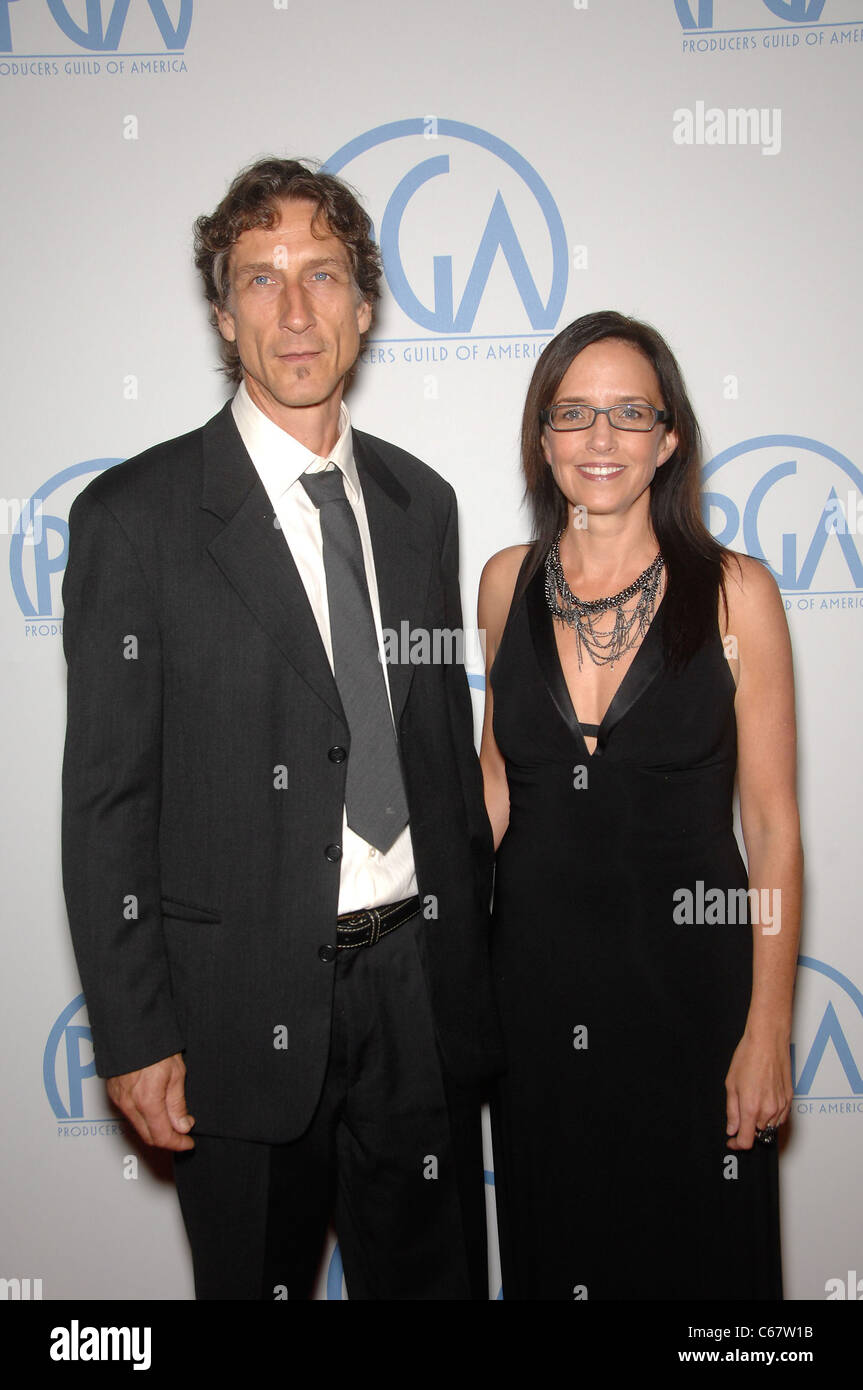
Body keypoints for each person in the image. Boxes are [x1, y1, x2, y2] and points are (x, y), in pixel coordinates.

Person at [61, 157, 502, 1300]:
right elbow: (108, 797)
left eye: (322, 276)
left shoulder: (421, 503)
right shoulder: (137, 518)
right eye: (260, 280)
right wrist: (133, 1031)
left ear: (364, 305)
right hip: (233, 1007)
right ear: (222, 314)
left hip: (417, 989)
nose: (295, 311)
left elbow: (441, 764)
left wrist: (478, 972)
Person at [479, 310, 801, 1300]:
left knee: (701, 1273)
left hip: (690, 1001)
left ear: (668, 438)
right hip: (531, 1003)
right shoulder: (502, 583)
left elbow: (775, 827)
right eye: (572, 414)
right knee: (556, 1248)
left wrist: (765, 1028)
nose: (600, 439)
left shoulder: (733, 593)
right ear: (542, 438)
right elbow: (494, 782)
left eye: (628, 413)